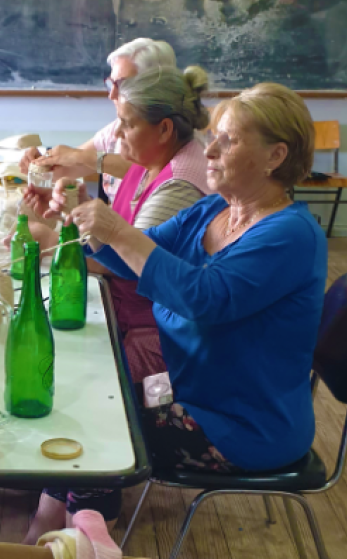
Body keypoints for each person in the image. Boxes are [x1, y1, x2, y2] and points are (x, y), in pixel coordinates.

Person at [71, 82, 326, 478]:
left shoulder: (289, 235)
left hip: (243, 426)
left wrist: (117, 231)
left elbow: (202, 298)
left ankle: (79, 523)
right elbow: (141, 253)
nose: (208, 151)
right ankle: (65, 509)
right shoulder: (214, 208)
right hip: (191, 391)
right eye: (211, 139)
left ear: (275, 156)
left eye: (227, 141)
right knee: (89, 392)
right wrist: (79, 217)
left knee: (99, 420)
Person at [21, 65, 211, 540]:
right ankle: (57, 506)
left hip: (161, 333)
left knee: (88, 390)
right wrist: (72, 215)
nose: (114, 135)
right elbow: (115, 237)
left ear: (164, 128)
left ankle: (89, 514)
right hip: (132, 313)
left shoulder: (180, 183)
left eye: (126, 123)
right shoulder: (151, 166)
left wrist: (51, 237)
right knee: (72, 366)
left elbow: (131, 267)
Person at [18, 38, 177, 203]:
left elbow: (151, 174)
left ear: (156, 87)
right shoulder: (114, 130)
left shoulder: (175, 135)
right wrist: (39, 164)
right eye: (111, 84)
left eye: (122, 84)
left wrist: (80, 156)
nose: (112, 95)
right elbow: (64, 168)